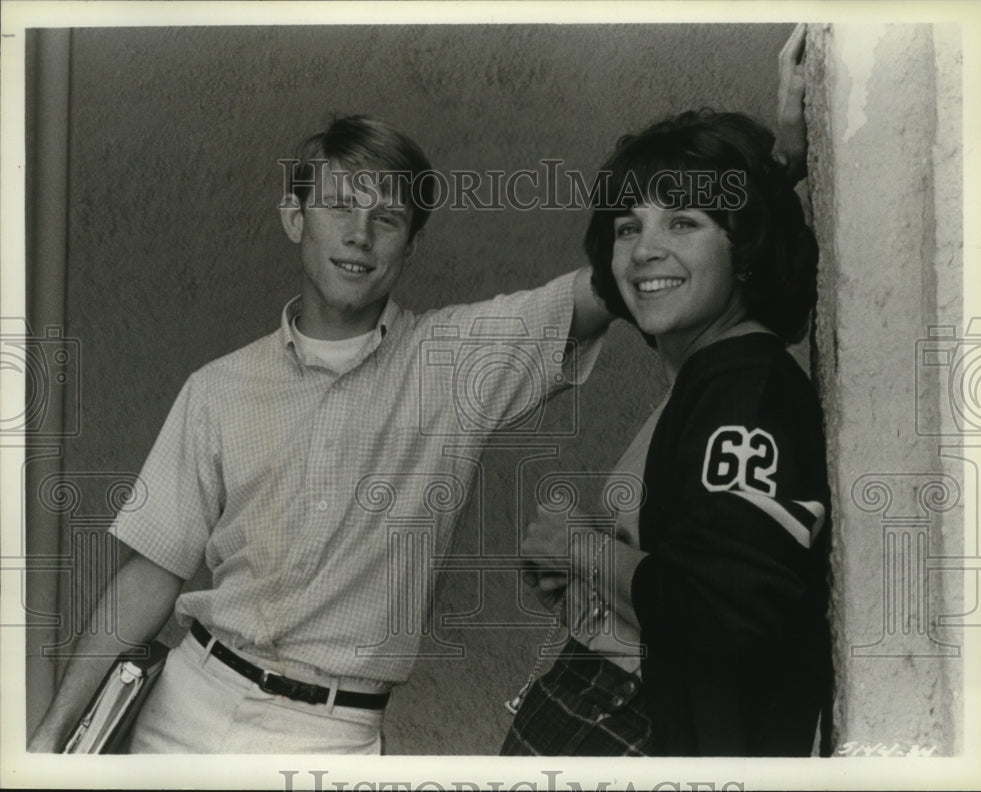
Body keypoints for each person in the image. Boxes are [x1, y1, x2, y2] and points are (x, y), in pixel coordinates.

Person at [29, 27, 810, 757]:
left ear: (411, 242)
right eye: (338, 206)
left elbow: (638, 270)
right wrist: (51, 741)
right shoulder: (217, 390)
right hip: (185, 701)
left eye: (388, 217)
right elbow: (149, 576)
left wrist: (783, 166)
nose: (360, 234)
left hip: (328, 734)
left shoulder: (455, 358)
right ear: (293, 216)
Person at [501, 104, 832, 757]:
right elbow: (697, 574)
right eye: (629, 226)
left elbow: (723, 614)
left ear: (746, 248)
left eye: (683, 221)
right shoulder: (711, 378)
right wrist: (592, 577)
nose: (645, 248)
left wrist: (582, 551)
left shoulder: (746, 395)